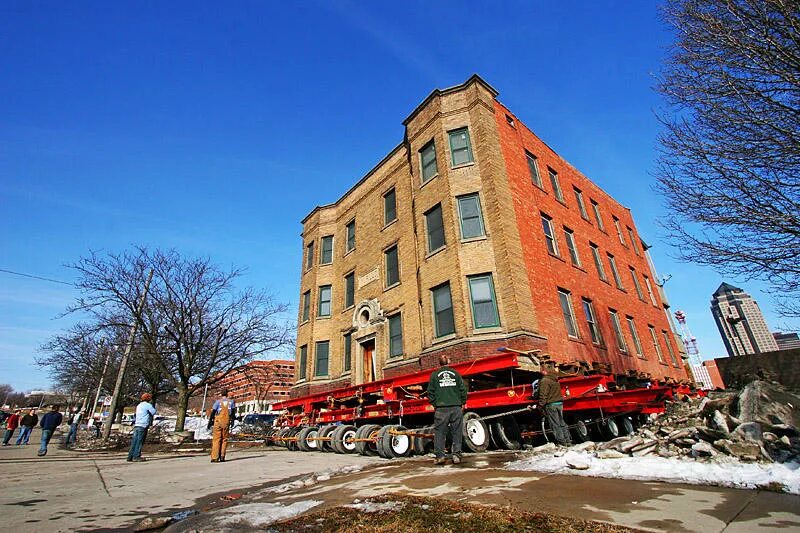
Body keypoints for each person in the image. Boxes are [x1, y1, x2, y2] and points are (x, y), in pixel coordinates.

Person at [426, 355, 468, 465]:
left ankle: (440, 456)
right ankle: (456, 456)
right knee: (457, 432)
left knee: (440, 433)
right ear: (448, 362)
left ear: (439, 363)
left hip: (441, 409)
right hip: (456, 407)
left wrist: (436, 404)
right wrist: (462, 402)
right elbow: (463, 390)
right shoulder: (456, 374)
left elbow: (430, 392)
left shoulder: (434, 375)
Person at [534, 365, 572, 446]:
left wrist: (540, 405)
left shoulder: (545, 381)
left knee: (555, 424)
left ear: (544, 371)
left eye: (541, 370)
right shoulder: (555, 379)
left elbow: (543, 395)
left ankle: (562, 442)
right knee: (562, 422)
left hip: (551, 405)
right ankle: (567, 440)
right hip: (559, 403)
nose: (539, 372)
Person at [127, 393, 156, 462]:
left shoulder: (139, 405)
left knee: (134, 441)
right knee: (140, 441)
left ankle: (130, 456)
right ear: (148, 399)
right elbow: (153, 412)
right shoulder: (148, 405)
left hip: (137, 424)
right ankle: (136, 456)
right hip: (143, 425)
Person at [208, 389, 235, 463]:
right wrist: (232, 421)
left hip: (218, 422)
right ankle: (222, 456)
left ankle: (215, 457)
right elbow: (233, 413)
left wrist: (210, 421)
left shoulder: (217, 402)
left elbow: (213, 412)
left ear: (221, 394)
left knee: (217, 439)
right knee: (224, 439)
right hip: (226, 422)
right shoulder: (231, 402)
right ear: (227, 394)